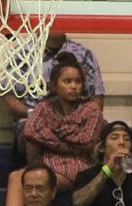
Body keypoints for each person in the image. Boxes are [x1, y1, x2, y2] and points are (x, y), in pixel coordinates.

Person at [21, 56, 106, 191]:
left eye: (77, 82)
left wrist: (53, 133)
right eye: (67, 81)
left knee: (41, 183)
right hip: (46, 163)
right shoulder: (44, 107)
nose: (73, 86)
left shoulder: (91, 109)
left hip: (78, 165)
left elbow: (87, 142)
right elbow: (31, 131)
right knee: (15, 178)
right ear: (55, 85)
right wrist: (68, 142)